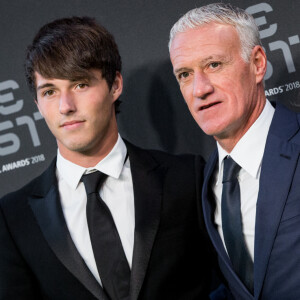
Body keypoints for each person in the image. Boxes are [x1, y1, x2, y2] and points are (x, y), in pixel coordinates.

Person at [0, 17, 213, 300]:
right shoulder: (13, 218)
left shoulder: (186, 177)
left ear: (115, 85)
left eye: (80, 85)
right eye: (50, 91)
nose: (65, 107)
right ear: (38, 104)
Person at [169, 3, 300, 300]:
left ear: (257, 64)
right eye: (185, 74)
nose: (199, 89)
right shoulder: (206, 180)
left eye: (214, 65)